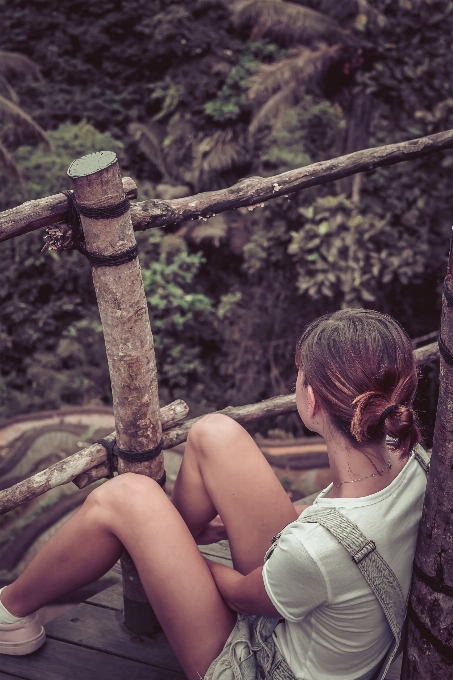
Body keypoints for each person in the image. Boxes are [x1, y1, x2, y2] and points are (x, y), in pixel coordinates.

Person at [0, 309, 428, 680]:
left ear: (311, 400)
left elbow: (244, 594)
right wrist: (197, 537)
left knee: (126, 495)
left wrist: (175, 554)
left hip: (261, 666)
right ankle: (150, 539)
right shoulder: (413, 459)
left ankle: (10, 612)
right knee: (214, 433)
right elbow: (329, 519)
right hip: (319, 609)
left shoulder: (315, 549)